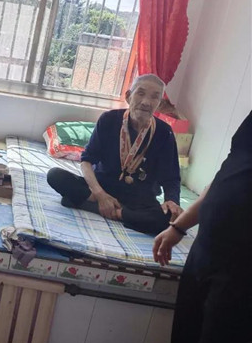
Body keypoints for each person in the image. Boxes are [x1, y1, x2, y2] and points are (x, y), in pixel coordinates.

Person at [153, 111, 252, 343]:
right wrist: (178, 227)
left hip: (243, 268)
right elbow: (225, 176)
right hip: (206, 249)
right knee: (184, 340)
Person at [47, 74, 182, 235]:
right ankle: (117, 211)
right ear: (128, 96)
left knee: (168, 218)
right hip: (100, 188)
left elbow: (171, 178)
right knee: (55, 175)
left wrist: (171, 201)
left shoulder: (164, 133)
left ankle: (113, 212)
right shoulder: (109, 119)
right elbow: (86, 161)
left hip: (139, 198)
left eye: (154, 97)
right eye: (140, 93)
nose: (146, 102)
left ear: (159, 103)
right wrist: (100, 195)